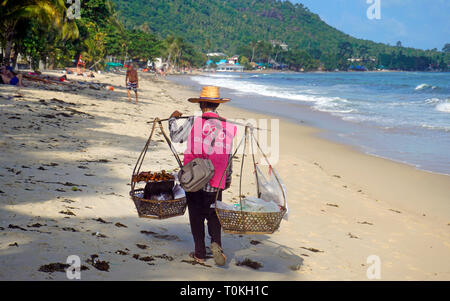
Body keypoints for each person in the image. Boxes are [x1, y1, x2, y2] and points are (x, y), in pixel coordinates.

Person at [169, 86, 237, 266]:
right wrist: (227, 178)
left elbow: (176, 137)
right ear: (216, 105)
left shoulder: (193, 121)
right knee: (214, 214)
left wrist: (172, 119)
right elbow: (228, 155)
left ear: (201, 104)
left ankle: (199, 252)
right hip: (216, 178)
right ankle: (217, 244)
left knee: (196, 215)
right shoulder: (227, 126)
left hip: (194, 178)